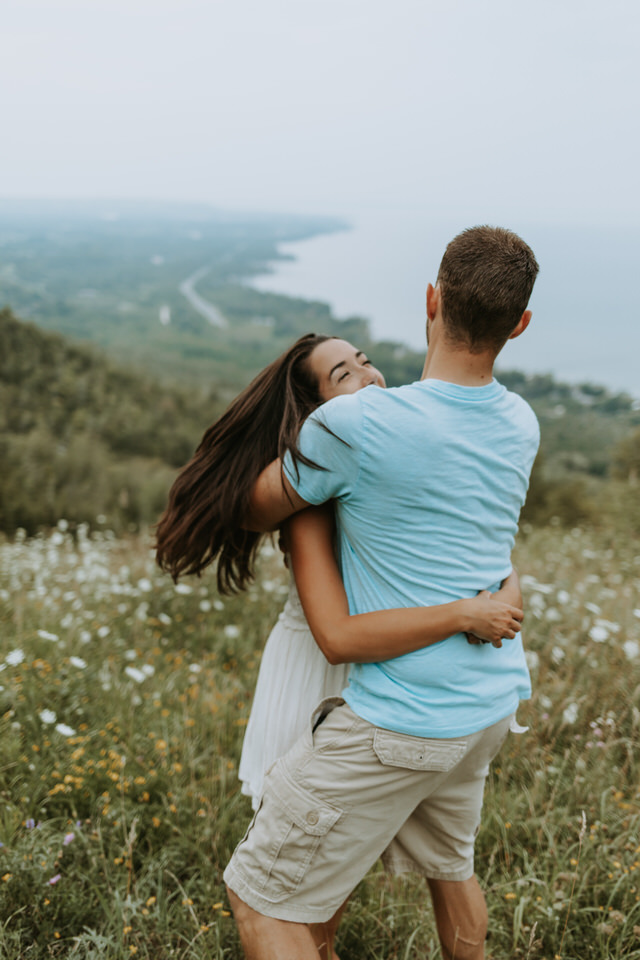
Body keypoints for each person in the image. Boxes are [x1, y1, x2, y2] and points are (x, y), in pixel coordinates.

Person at [223, 225, 541, 960]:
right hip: (488, 703)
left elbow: (251, 506)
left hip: (405, 718)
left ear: (430, 300)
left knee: (260, 899)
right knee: (449, 862)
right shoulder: (519, 422)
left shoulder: (356, 427)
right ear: (519, 326)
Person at [155, 332, 525, 958]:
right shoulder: (312, 497)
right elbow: (337, 636)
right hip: (323, 678)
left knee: (383, 875)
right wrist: (469, 609)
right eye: (342, 376)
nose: (368, 376)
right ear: (315, 412)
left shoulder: (379, 457)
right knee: (301, 900)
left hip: (387, 675)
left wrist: (501, 581)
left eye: (364, 361)